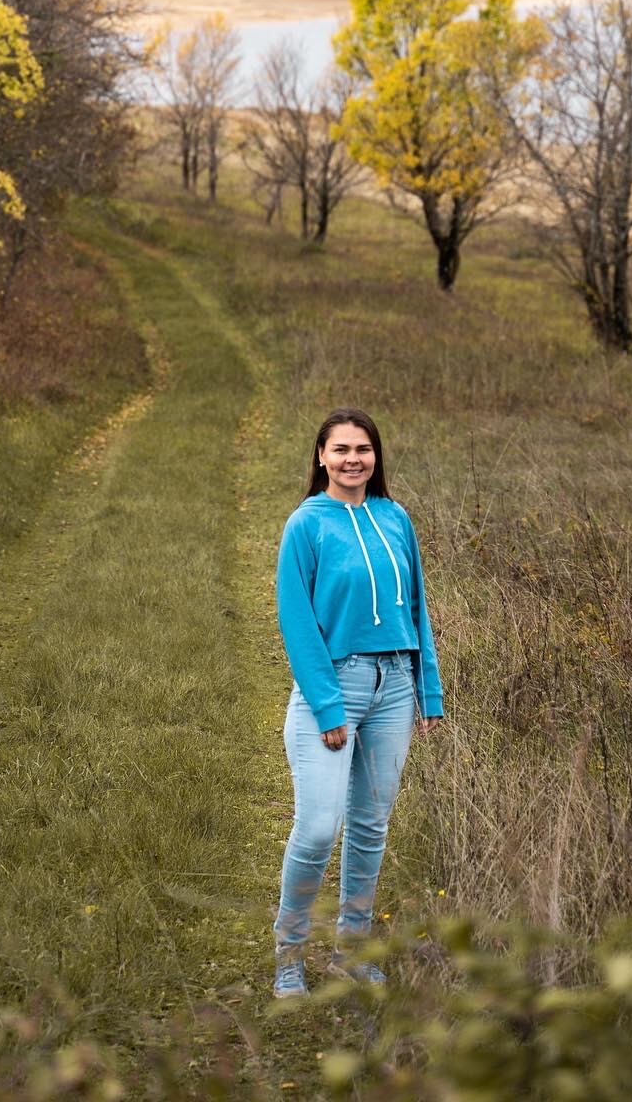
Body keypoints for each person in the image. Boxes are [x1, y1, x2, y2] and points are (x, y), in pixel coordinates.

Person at [271, 407, 444, 997]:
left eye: (363, 449)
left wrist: (428, 692)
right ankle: (289, 954)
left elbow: (417, 609)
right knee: (320, 827)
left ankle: (353, 951)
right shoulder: (306, 524)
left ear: (376, 457)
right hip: (336, 686)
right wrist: (327, 708)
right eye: (340, 449)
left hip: (397, 683)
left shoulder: (395, 518)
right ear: (321, 456)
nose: (352, 459)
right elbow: (297, 623)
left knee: (370, 827)